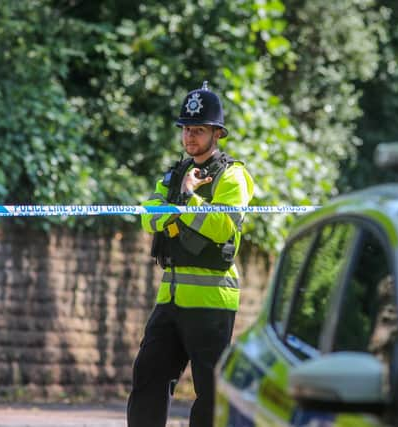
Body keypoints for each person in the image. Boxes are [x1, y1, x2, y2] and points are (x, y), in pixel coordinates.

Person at [127, 82, 254, 427]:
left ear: (217, 133)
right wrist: (179, 201)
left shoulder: (233, 175)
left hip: (212, 299)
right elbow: (147, 217)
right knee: (148, 376)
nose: (189, 137)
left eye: (198, 130)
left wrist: (187, 200)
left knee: (210, 393)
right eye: (186, 129)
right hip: (171, 296)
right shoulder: (175, 174)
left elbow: (223, 227)